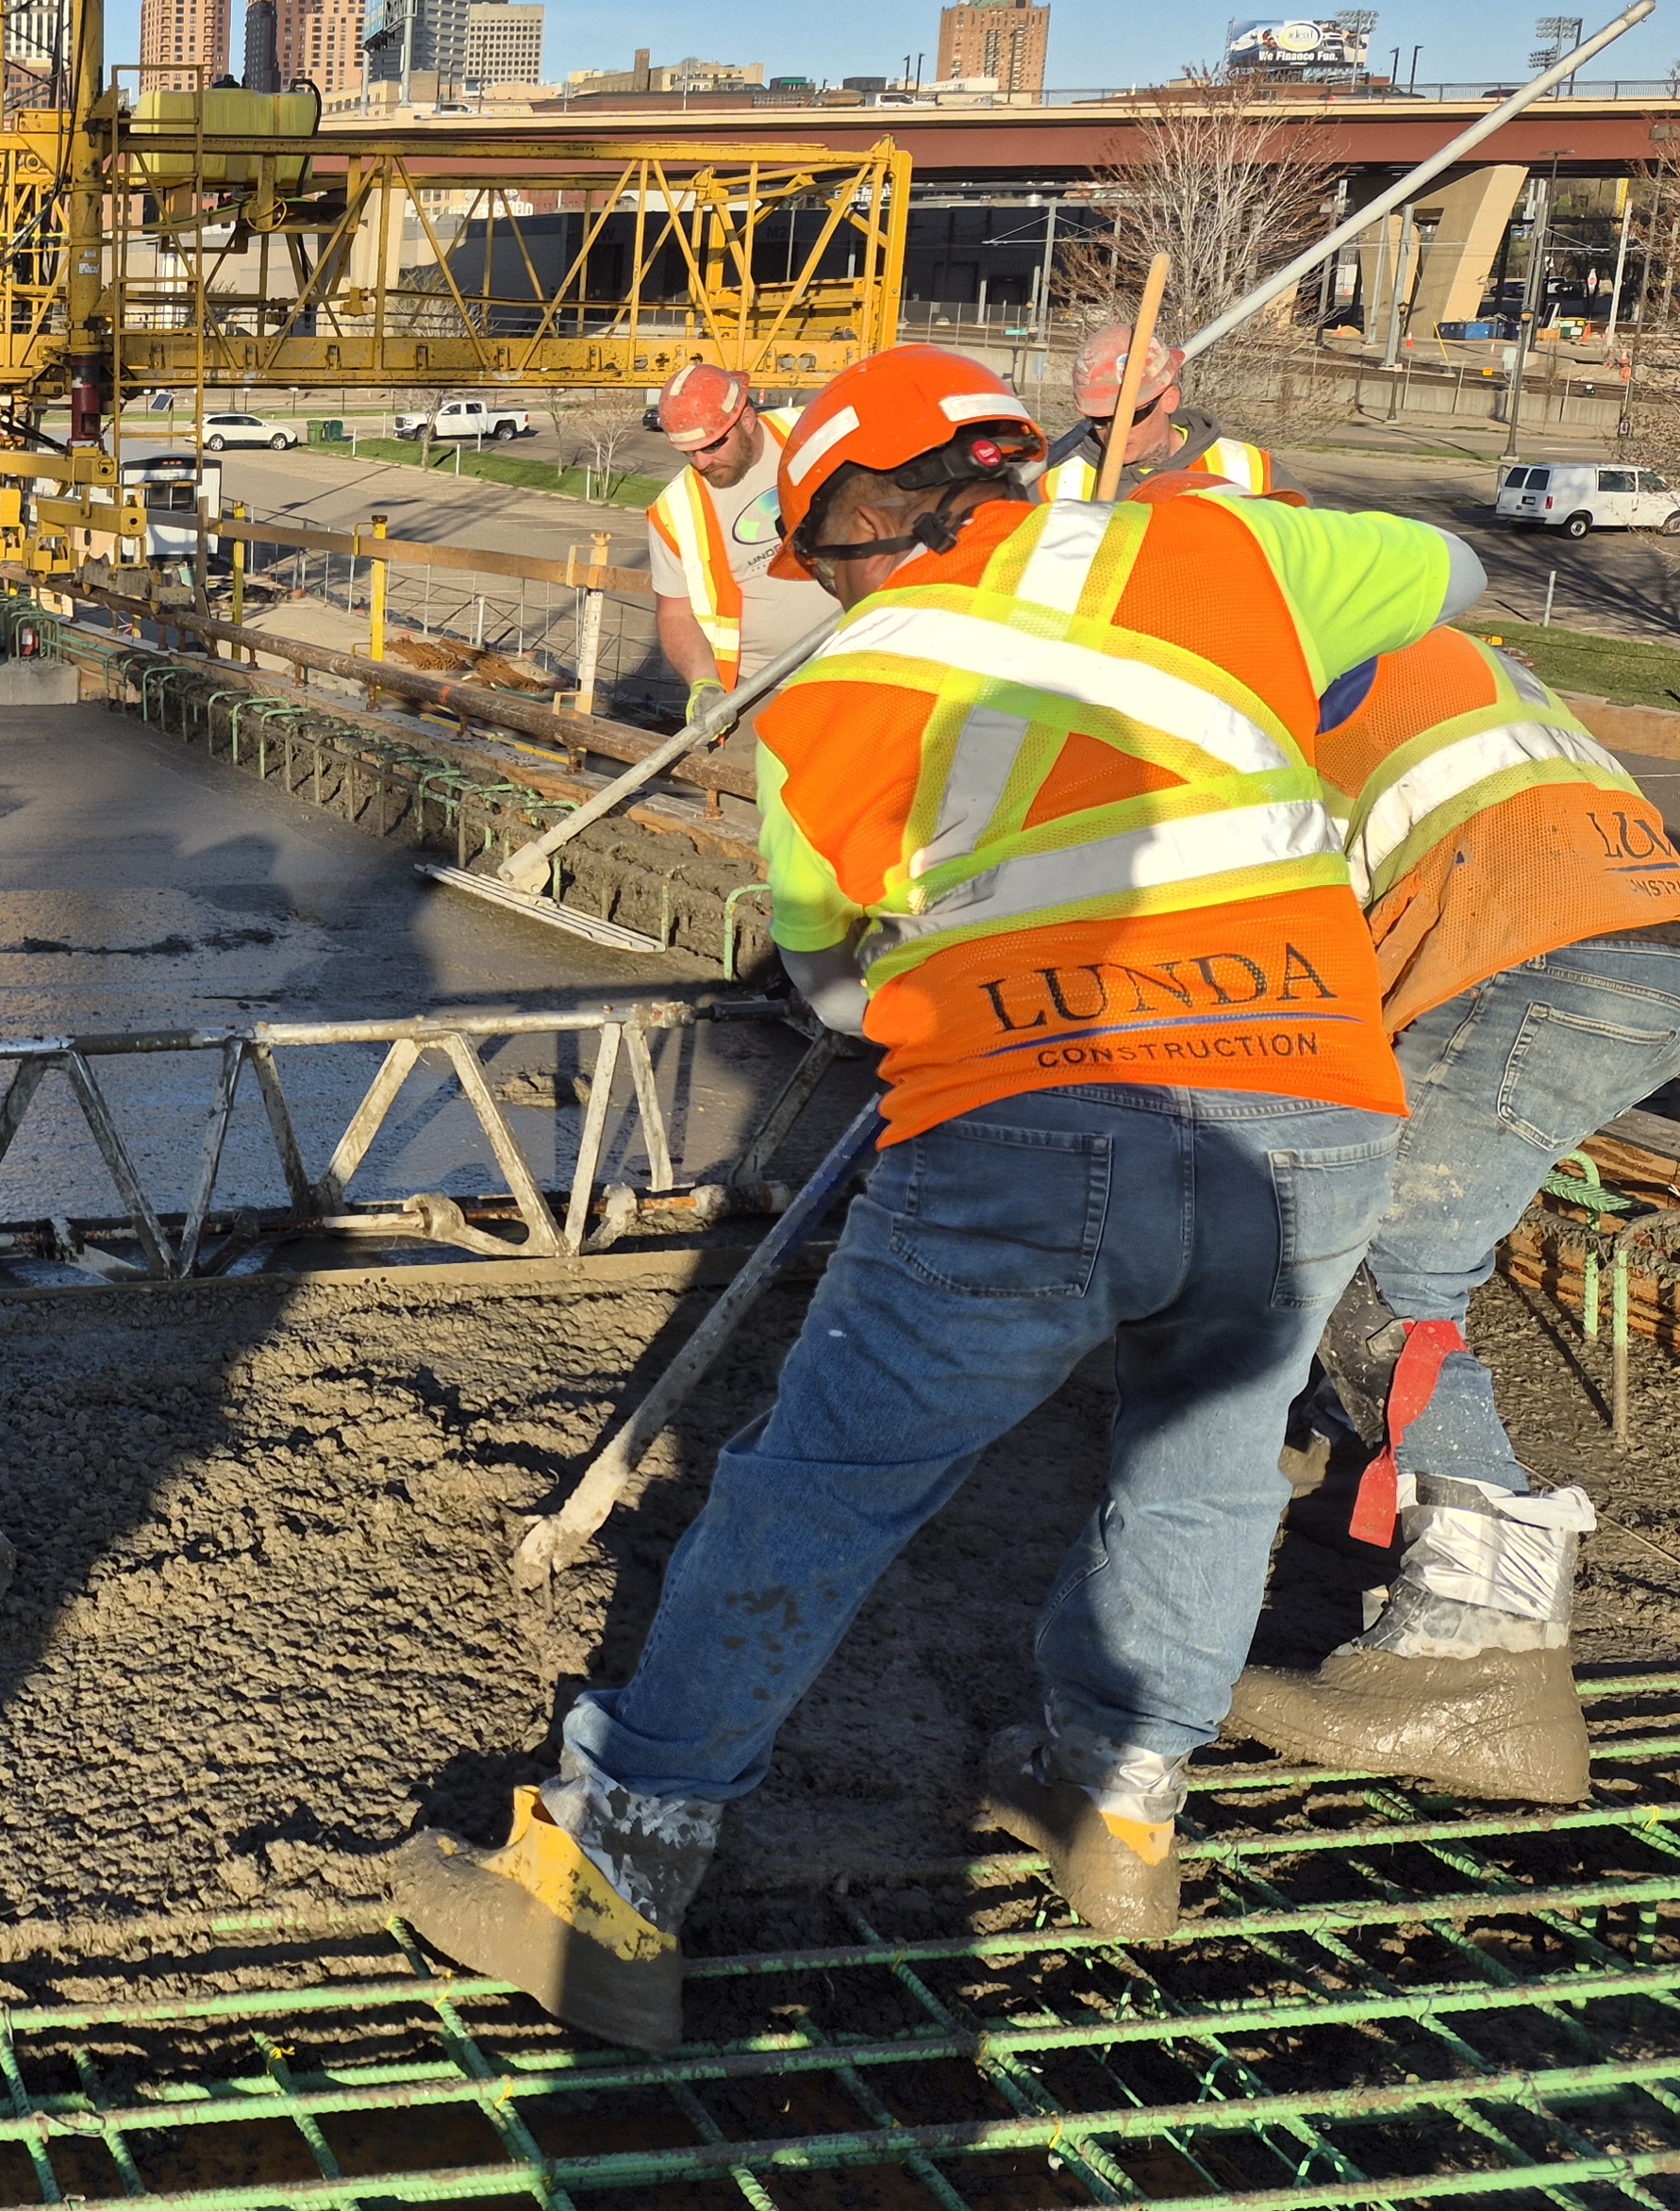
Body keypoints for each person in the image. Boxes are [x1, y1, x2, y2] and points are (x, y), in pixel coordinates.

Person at [386, 345, 1484, 2050]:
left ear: (854, 521)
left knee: (822, 1484)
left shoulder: (833, 694)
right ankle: (1118, 1815)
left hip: (1024, 1120)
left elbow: (831, 993)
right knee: (1202, 1470)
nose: (840, 577)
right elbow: (1456, 579)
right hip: (1315, 1098)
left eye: (833, 547)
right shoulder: (1207, 552)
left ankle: (608, 1890)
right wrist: (1180, 590)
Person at [1215, 597, 1677, 1803]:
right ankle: (1339, 1461)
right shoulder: (1395, 640)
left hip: (1537, 952)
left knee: (1375, 1266)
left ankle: (1479, 1654)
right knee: (1356, 1229)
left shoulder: (1272, 666)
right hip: (1617, 943)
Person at [643, 359, 840, 711]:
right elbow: (674, 613)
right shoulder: (674, 511)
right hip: (757, 689)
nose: (701, 462)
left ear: (746, 420)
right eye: (689, 452)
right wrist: (703, 681)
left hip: (860, 662)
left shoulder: (812, 432)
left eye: (712, 445)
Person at [1038, 325, 1277, 501]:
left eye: (1130, 417)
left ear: (1169, 400)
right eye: (1100, 420)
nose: (1113, 432)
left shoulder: (1250, 471)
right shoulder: (1059, 490)